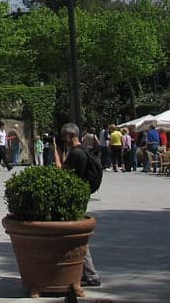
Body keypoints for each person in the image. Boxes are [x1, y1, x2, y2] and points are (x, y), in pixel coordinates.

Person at [57, 123, 101, 289]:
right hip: (83, 194)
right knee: (77, 237)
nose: (63, 140)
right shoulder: (83, 150)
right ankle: (85, 272)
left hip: (77, 197)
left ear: (70, 136)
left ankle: (91, 274)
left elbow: (61, 172)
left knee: (77, 238)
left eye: (64, 137)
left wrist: (56, 151)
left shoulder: (76, 154)